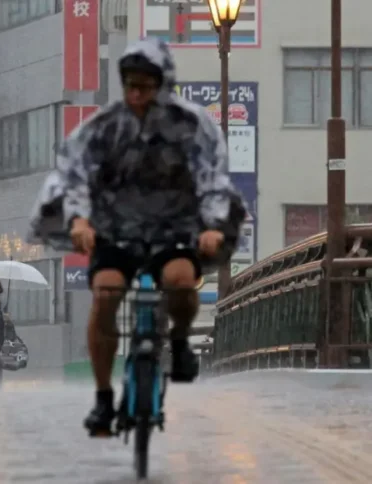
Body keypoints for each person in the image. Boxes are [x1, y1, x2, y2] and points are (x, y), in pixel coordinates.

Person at [27, 37, 247, 436]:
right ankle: (103, 397)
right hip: (116, 230)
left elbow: (212, 178)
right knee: (106, 292)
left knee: (181, 280)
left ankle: (178, 340)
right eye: (130, 86)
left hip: (174, 228)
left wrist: (213, 226)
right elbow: (75, 174)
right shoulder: (104, 127)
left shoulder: (192, 126)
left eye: (145, 87)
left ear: (162, 86)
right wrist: (79, 221)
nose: (136, 95)